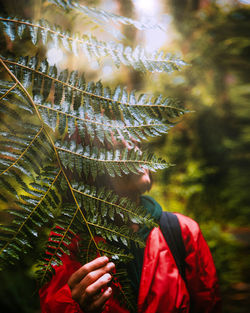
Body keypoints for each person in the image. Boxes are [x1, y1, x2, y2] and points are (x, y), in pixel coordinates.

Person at [39, 142, 221, 313]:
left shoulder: (182, 230)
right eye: (117, 145)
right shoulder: (67, 242)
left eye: (135, 142)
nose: (135, 150)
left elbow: (208, 305)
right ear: (89, 168)